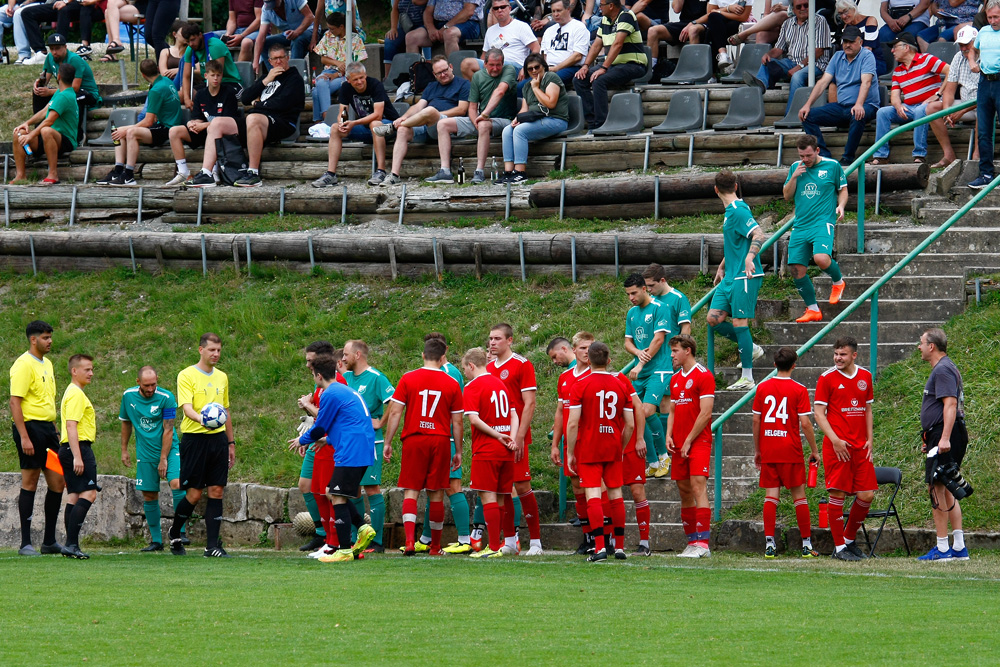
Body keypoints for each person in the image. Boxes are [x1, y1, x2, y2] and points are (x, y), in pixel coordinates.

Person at [290, 355, 378, 563]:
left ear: (319, 376)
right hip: (358, 447)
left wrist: (302, 440)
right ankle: (363, 528)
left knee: (336, 496)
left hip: (352, 451)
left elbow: (320, 425)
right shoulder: (343, 390)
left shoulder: (330, 393)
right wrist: (328, 441)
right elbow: (349, 424)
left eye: (313, 374)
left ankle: (344, 550)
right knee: (333, 492)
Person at [382, 337, 464, 556]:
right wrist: (458, 450)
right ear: (442, 357)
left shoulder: (409, 378)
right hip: (439, 439)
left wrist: (388, 441)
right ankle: (435, 547)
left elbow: (396, 412)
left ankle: (410, 541)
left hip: (415, 439)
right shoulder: (452, 383)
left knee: (412, 490)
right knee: (436, 493)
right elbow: (457, 421)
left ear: (423, 355)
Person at [565, 341, 635, 562]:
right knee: (616, 494)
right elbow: (630, 424)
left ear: (588, 360)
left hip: (589, 447)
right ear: (609, 361)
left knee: (593, 494)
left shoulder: (580, 384)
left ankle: (599, 549)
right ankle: (620, 547)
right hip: (612, 445)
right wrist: (621, 447)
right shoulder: (620, 384)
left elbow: (573, 423)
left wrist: (570, 452)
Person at [168, 333, 236, 558]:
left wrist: (231, 442)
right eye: (211, 350)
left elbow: (225, 411)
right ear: (201, 350)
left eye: (218, 350)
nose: (216, 354)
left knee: (217, 490)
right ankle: (175, 533)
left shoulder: (222, 377)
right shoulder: (186, 375)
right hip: (195, 439)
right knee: (194, 494)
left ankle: (212, 546)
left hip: (218, 440)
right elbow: (186, 408)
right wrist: (203, 420)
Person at [751, 347, 820, 558]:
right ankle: (806, 545)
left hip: (769, 448)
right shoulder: (798, 389)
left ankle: (769, 544)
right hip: (790, 449)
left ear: (774, 365)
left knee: (771, 496)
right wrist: (815, 450)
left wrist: (758, 450)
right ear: (794, 365)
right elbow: (806, 423)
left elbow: (756, 420)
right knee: (799, 496)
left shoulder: (762, 387)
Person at [813, 336, 875, 561]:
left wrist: (870, 439)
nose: (838, 358)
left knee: (866, 495)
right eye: (836, 354)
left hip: (860, 446)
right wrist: (835, 440)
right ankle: (839, 548)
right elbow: (819, 414)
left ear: (854, 355)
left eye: (843, 354)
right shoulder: (826, 378)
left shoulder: (865, 376)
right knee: (837, 494)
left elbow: (867, 409)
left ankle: (849, 539)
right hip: (837, 446)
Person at [487, 322, 543, 555]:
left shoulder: (522, 365)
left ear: (510, 340)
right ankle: (509, 541)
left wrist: (519, 437)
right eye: (490, 338)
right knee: (502, 488)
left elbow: (529, 403)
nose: (492, 343)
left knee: (522, 485)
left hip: (515, 437)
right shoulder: (488, 368)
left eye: (497, 339)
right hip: (496, 437)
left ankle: (536, 543)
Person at [9, 320, 64, 557]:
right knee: (30, 482)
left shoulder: (48, 364)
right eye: (45, 337)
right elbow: (15, 402)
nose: (50, 341)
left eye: (50, 337)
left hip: (48, 431)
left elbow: (48, 400)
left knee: (57, 482)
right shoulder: (23, 364)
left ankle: (49, 541)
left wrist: (55, 429)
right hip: (30, 430)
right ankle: (25, 543)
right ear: (33, 339)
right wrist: (24, 437)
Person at [707, 169, 766, 391]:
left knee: (740, 323)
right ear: (735, 186)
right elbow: (735, 242)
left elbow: (759, 234)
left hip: (745, 276)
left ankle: (748, 378)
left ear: (716, 190)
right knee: (714, 319)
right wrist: (722, 266)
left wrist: (750, 258)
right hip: (730, 276)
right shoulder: (730, 212)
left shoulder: (739, 211)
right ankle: (751, 348)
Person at [414, 332, 472, 554]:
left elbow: (457, 409)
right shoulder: (436, 372)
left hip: (445, 437)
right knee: (434, 488)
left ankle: (466, 539)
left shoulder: (450, 373)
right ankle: (426, 538)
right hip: (433, 437)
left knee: (451, 486)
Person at [374, 55, 471, 186]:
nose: (443, 74)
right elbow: (418, 106)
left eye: (445, 70)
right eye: (439, 73)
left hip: (448, 125)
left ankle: (392, 127)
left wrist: (434, 115)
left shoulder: (464, 84)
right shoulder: (431, 86)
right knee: (403, 129)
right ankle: (394, 175)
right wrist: (404, 117)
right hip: (427, 125)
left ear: (451, 67)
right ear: (434, 75)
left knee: (430, 110)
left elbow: (461, 109)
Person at [917, 328, 970, 561]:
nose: (919, 347)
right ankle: (958, 547)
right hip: (940, 433)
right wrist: (931, 438)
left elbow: (950, 405)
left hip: (945, 434)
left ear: (932, 346)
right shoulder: (945, 368)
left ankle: (942, 548)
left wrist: (944, 438)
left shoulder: (943, 369)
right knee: (947, 486)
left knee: (936, 487)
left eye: (921, 343)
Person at [783, 134, 848, 323]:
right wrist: (794, 177)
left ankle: (838, 282)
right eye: (801, 156)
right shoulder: (796, 168)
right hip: (800, 224)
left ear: (817, 151)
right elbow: (787, 196)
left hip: (822, 221)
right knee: (796, 269)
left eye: (808, 156)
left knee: (820, 258)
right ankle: (812, 309)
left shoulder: (832, 166)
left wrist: (841, 206)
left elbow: (843, 189)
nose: (805, 160)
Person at [120, 366, 186, 552]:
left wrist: (163, 458)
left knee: (176, 483)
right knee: (149, 494)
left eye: (154, 384)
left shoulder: (167, 398)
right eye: (147, 385)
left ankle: (180, 531)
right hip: (145, 452)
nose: (150, 389)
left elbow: (168, 429)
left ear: (158, 379)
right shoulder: (128, 396)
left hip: (169, 449)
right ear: (138, 382)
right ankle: (156, 541)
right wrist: (124, 449)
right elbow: (126, 423)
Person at [461, 347, 519, 558]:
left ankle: (494, 546)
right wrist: (510, 437)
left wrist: (497, 435)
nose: (465, 373)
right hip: (506, 449)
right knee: (503, 497)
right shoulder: (500, 383)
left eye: (465, 368)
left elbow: (474, 419)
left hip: (487, 449)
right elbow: (514, 414)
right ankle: (508, 544)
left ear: (472, 365)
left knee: (488, 498)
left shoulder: (473, 386)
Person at [427, 48, 517, 185]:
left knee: (483, 124)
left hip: (504, 120)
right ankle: (445, 171)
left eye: (498, 64)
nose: (495, 68)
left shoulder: (508, 70)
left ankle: (479, 171)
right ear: (485, 64)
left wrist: (484, 115)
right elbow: (472, 106)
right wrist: (475, 119)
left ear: (503, 63)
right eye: (491, 65)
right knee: (443, 124)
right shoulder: (477, 76)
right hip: (481, 119)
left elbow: (500, 91)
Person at [799, 25, 880, 166]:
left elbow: (866, 82)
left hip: (866, 105)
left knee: (857, 114)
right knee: (808, 115)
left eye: (851, 41)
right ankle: (824, 156)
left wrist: (859, 104)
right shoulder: (837, 56)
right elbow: (823, 82)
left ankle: (847, 158)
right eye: (845, 42)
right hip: (842, 106)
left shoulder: (867, 56)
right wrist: (807, 105)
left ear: (860, 42)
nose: (847, 45)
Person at [341, 339, 395, 553]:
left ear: (357, 355)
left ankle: (378, 540)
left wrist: (381, 422)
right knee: (352, 490)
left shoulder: (376, 378)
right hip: (349, 442)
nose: (342, 358)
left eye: (345, 354)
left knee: (371, 488)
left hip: (371, 442)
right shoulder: (345, 379)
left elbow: (394, 400)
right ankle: (358, 537)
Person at [311, 61, 401, 187]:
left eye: (362, 78)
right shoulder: (345, 88)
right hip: (366, 128)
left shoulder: (375, 84)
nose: (359, 82)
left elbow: (378, 115)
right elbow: (343, 111)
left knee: (375, 124)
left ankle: (381, 171)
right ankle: (330, 174)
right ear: (348, 80)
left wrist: (354, 122)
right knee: (335, 128)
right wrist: (342, 122)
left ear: (365, 75)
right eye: (355, 79)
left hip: (389, 126)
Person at [95, 59, 184, 187]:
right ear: (158, 69)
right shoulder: (166, 81)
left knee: (130, 132)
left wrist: (126, 130)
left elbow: (148, 122)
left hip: (167, 129)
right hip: (163, 125)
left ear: (143, 75)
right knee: (118, 130)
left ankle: (129, 175)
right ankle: (118, 170)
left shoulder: (156, 90)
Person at [665, 334, 715, 558]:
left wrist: (688, 440)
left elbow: (706, 413)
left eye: (675, 351)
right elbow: (673, 410)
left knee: (698, 487)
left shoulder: (704, 375)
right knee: (684, 491)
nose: (672, 355)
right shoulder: (675, 379)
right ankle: (692, 542)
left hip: (698, 441)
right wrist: (669, 435)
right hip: (679, 443)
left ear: (688, 351)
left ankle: (703, 544)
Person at [870, 32, 948, 166]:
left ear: (906, 47)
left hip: (930, 107)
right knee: (882, 112)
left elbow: (951, 71)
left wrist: (939, 94)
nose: (892, 51)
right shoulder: (898, 71)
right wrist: (898, 106)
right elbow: (894, 96)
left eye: (895, 47)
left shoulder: (926, 59)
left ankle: (919, 154)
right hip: (910, 108)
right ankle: (881, 155)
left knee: (920, 110)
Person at [743, 0, 831, 116]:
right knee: (768, 63)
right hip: (791, 62)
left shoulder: (820, 21)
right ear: (793, 10)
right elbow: (779, 49)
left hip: (815, 64)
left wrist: (800, 66)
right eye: (799, 6)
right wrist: (768, 55)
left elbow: (819, 51)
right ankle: (761, 85)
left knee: (797, 76)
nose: (803, 8)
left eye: (806, 5)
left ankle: (791, 115)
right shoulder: (787, 24)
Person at [623, 273, 672, 478]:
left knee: (647, 409)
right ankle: (652, 462)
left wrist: (641, 364)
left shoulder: (661, 309)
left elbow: (658, 340)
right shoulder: (632, 313)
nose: (631, 297)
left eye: (634, 292)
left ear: (644, 289)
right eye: (628, 294)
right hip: (640, 370)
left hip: (659, 368)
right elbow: (628, 342)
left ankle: (664, 456)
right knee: (635, 413)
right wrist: (637, 353)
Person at [166, 59, 245, 186]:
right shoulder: (201, 94)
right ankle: (183, 172)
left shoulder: (229, 93)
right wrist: (191, 124)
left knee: (213, 128)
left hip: (223, 135)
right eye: (212, 75)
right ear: (206, 76)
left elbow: (226, 122)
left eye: (218, 75)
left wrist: (204, 125)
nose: (216, 78)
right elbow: (197, 117)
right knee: (174, 131)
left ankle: (213, 171)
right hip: (205, 131)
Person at [237, 43, 306, 187]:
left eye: (281, 57)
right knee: (220, 124)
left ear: (287, 58)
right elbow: (244, 99)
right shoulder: (267, 77)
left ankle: (253, 173)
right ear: (270, 61)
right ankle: (210, 172)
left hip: (283, 122)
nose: (278, 61)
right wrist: (265, 81)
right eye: (275, 59)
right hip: (258, 120)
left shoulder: (294, 79)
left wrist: (257, 104)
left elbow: (281, 104)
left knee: (253, 119)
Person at [293, 340, 339, 553]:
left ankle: (342, 537)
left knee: (331, 493)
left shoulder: (337, 384)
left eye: (310, 361)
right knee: (313, 489)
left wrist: (308, 405)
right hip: (318, 442)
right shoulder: (319, 383)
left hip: (330, 445)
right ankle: (325, 537)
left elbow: (327, 417)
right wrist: (308, 437)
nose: (307, 365)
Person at [574, 0, 647, 130]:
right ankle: (591, 122)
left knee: (599, 80)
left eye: (601, 5)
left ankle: (601, 124)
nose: (600, 8)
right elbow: (596, 45)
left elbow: (618, 44)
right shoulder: (605, 20)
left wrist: (603, 68)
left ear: (611, 5)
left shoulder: (626, 15)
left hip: (634, 65)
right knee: (579, 79)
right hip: (614, 65)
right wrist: (585, 66)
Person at [551, 332, 593, 554]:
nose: (587, 352)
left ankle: (604, 537)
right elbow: (560, 412)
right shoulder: (565, 378)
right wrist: (555, 444)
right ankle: (587, 537)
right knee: (577, 487)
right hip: (571, 441)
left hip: (592, 440)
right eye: (583, 348)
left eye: (590, 347)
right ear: (573, 350)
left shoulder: (597, 374)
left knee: (595, 488)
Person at [498, 53, 569, 184]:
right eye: (530, 69)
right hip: (537, 119)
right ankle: (508, 173)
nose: (534, 71)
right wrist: (516, 119)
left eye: (537, 67)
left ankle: (520, 173)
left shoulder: (551, 78)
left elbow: (550, 103)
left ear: (544, 67)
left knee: (520, 131)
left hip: (556, 119)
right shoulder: (527, 86)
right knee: (508, 130)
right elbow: (525, 109)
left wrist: (536, 88)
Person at [10, 62, 78, 185]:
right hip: (49, 138)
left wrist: (31, 135)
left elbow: (49, 120)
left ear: (58, 77)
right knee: (18, 133)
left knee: (46, 130)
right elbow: (44, 112)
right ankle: (20, 175)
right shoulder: (59, 93)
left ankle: (53, 174)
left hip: (65, 141)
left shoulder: (66, 96)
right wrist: (26, 123)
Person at [57, 354, 97, 560]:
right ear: (74, 371)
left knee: (74, 495)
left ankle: (70, 545)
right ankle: (71, 544)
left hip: (70, 449)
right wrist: (77, 456)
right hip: (78, 448)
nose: (91, 373)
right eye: (87, 369)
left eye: (91, 369)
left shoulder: (73, 392)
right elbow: (71, 425)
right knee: (89, 493)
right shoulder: (75, 394)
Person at [32, 33, 101, 144]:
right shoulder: (50, 58)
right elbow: (46, 77)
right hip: (65, 91)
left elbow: (75, 88)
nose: (55, 52)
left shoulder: (74, 60)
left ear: (65, 47)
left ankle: (77, 134)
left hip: (86, 93)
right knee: (38, 92)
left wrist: (50, 92)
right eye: (52, 49)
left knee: (73, 97)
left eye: (58, 48)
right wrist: (39, 84)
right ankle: (39, 129)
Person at [928, 25, 979, 168]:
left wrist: (962, 111)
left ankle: (977, 156)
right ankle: (948, 155)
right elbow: (949, 90)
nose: (963, 48)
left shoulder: (987, 57)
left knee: (984, 110)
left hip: (983, 105)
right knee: (931, 109)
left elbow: (987, 97)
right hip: (965, 103)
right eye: (961, 45)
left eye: (966, 44)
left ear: (976, 42)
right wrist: (947, 111)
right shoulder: (958, 57)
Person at [967, 0, 1000, 190]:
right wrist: (972, 61)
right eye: (990, 17)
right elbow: (973, 49)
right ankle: (985, 173)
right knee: (984, 131)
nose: (993, 21)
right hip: (984, 81)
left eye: (996, 17)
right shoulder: (984, 31)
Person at [310, 12, 367, 122]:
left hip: (346, 75)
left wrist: (336, 74)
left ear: (341, 27)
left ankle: (322, 121)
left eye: (332, 29)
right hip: (329, 71)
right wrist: (337, 63)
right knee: (320, 82)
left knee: (317, 91)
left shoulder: (355, 40)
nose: (330, 31)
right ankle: (325, 119)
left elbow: (357, 65)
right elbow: (323, 59)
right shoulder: (328, 35)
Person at [462, 0, 540, 80]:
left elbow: (536, 48)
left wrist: (526, 67)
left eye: (502, 7)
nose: (499, 10)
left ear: (509, 8)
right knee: (466, 64)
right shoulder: (490, 31)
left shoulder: (521, 26)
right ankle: (481, 90)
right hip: (493, 65)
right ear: (493, 11)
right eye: (496, 8)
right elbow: (484, 55)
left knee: (497, 65)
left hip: (514, 66)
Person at [179, 22, 246, 109]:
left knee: (214, 97)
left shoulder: (215, 46)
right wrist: (187, 98)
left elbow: (217, 74)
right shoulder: (190, 48)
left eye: (193, 40)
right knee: (179, 95)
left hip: (227, 82)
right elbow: (186, 76)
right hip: (208, 83)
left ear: (200, 35)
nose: (191, 44)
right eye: (188, 42)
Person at [679, 0, 752, 74]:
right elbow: (710, 14)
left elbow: (743, 17)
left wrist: (720, 12)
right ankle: (722, 55)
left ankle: (710, 71)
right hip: (718, 22)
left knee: (713, 29)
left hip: (738, 24)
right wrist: (728, 8)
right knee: (712, 26)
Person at [646, 0, 707, 79]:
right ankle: (650, 70)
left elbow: (711, 12)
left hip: (704, 22)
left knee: (693, 30)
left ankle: (694, 71)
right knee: (653, 31)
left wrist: (693, 23)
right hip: (685, 23)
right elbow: (676, 9)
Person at [252, 0, 315, 71]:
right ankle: (275, 74)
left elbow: (310, 17)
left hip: (309, 29)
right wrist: (255, 61)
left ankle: (293, 74)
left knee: (297, 41)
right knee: (265, 43)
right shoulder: (266, 10)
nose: (274, 8)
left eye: (274, 5)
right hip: (289, 34)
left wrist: (297, 32)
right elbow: (261, 37)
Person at [406, 0, 484, 57]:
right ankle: (413, 76)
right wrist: (431, 29)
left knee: (449, 34)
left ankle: (455, 74)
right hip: (438, 23)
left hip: (467, 23)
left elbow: (468, 11)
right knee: (411, 37)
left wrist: (446, 27)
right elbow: (428, 11)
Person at [540, 0, 590, 84]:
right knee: (522, 86)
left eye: (559, 10)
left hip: (570, 68)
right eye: (553, 11)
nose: (555, 14)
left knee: (549, 82)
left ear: (568, 9)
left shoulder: (579, 27)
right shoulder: (549, 31)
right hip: (549, 68)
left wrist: (556, 68)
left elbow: (577, 56)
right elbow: (543, 55)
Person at [834, 0, 885, 76]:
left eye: (846, 12)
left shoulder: (870, 21)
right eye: (840, 13)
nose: (843, 16)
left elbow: (867, 50)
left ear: (854, 9)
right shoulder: (846, 26)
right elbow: (844, 50)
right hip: (851, 63)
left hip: (873, 62)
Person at [385, 0, 426, 77]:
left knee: (412, 37)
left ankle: (414, 77)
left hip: (424, 26)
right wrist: (393, 28)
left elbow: (417, 2)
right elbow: (395, 9)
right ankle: (388, 77)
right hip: (405, 27)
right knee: (390, 40)